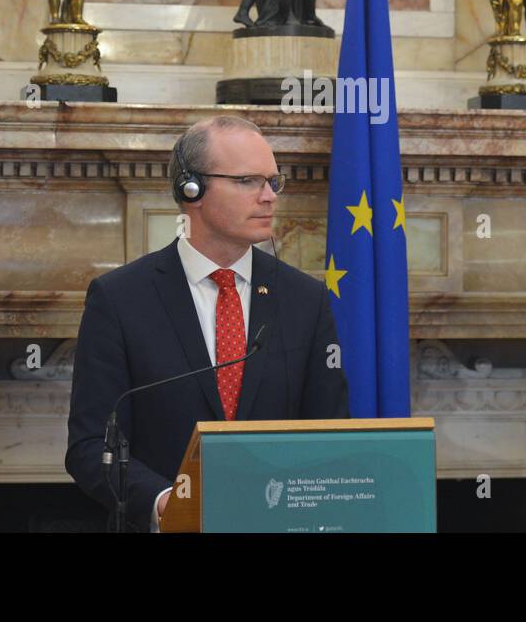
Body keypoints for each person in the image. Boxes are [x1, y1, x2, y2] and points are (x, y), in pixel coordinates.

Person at [66, 115, 349, 530]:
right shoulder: (119, 298)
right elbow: (91, 447)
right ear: (191, 189)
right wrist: (165, 503)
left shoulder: (306, 299)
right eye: (248, 181)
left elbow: (330, 434)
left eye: (274, 182)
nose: (269, 197)